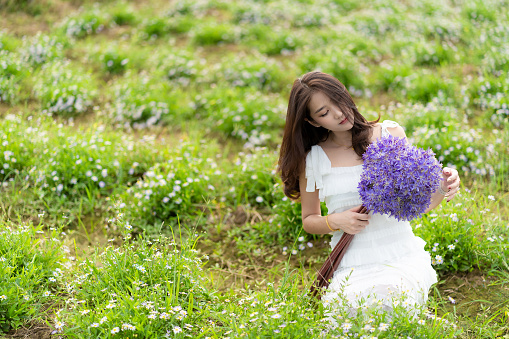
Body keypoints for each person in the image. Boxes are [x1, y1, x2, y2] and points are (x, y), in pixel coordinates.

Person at [277, 71, 461, 315]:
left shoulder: (389, 134)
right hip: (351, 261)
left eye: (338, 100)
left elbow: (419, 206)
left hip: (400, 254)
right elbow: (309, 221)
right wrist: (335, 221)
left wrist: (442, 185)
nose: (339, 113)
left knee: (393, 301)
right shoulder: (313, 159)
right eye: (324, 113)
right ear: (313, 122)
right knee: (351, 310)